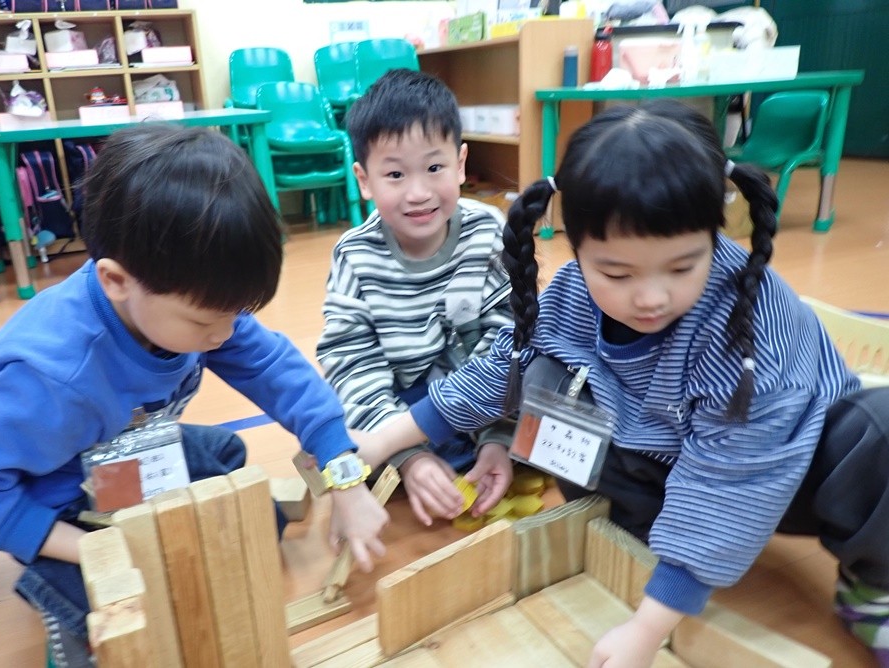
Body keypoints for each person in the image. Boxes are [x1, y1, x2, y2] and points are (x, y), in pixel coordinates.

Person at [356, 100, 889, 666]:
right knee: (545, 381)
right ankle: (646, 547)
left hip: (793, 471)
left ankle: (870, 588)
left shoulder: (749, 331)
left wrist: (647, 628)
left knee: (878, 430)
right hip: (667, 459)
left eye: (682, 267)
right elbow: (498, 372)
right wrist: (384, 440)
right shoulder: (571, 293)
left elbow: (732, 478)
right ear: (578, 248)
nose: (651, 298)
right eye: (616, 273)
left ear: (715, 234)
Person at [0, 125, 389, 667]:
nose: (225, 335)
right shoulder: (51, 378)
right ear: (116, 281)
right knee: (140, 610)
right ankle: (59, 598)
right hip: (65, 498)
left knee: (244, 504)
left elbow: (274, 368)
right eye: (205, 322)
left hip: (126, 455)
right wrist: (96, 550)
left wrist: (345, 476)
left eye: (235, 316)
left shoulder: (189, 298)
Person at [318, 68, 515, 526]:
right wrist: (408, 455)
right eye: (394, 174)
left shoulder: (487, 232)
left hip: (474, 396)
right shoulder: (355, 256)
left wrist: (498, 438)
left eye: (434, 168)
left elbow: (506, 345)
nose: (419, 193)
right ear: (364, 180)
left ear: (460, 164)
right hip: (398, 402)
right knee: (330, 426)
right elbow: (351, 362)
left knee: (551, 398)